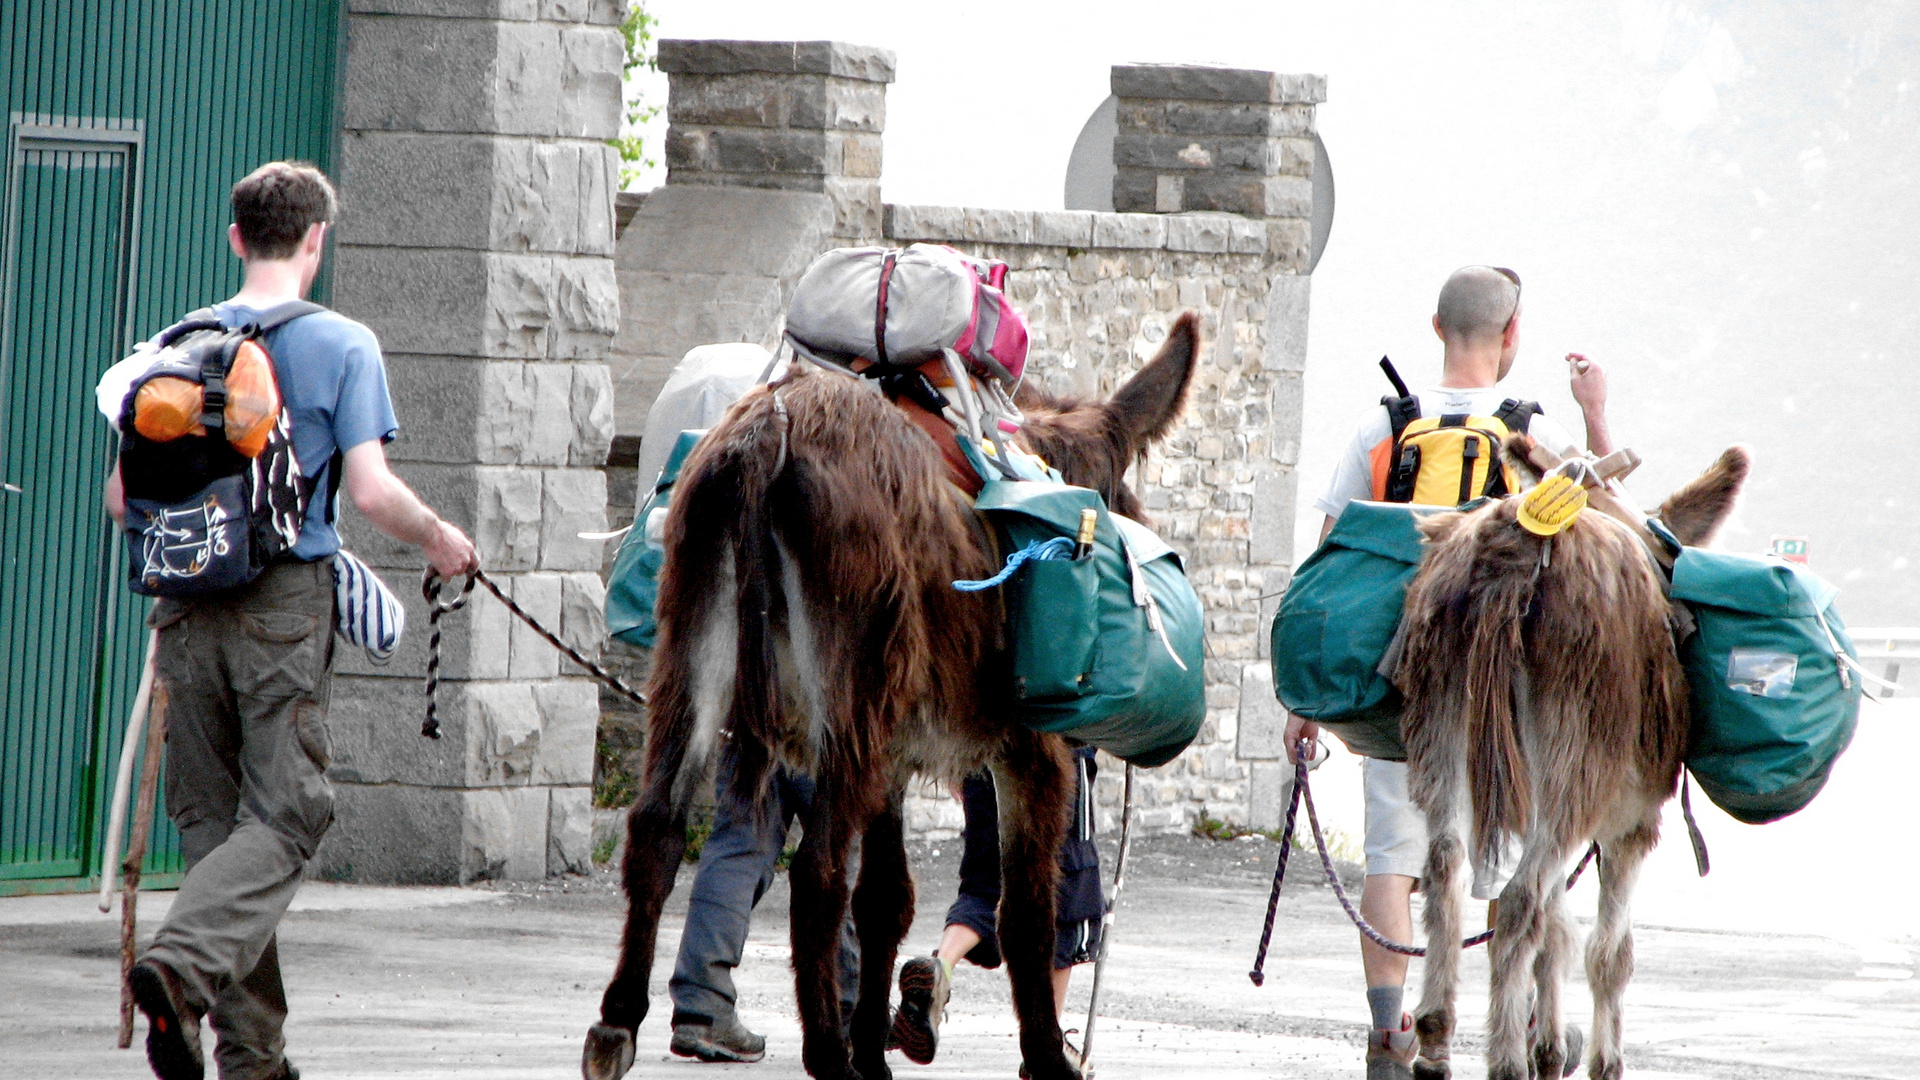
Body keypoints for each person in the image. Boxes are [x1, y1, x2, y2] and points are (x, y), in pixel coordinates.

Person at [106, 161, 479, 1080]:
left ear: (237, 238)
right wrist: (440, 540)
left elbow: (122, 499)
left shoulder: (174, 346)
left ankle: (253, 1059)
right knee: (290, 813)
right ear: (317, 238)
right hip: (283, 605)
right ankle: (180, 971)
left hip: (185, 611)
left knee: (213, 828)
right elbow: (368, 490)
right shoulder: (344, 345)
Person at [1287, 265, 1611, 1080]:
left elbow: (1330, 564)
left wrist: (1305, 701)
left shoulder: (1383, 427)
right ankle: (1521, 1018)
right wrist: (1596, 414)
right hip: (1508, 691)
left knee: (1395, 860)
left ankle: (1393, 1033)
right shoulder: (1533, 435)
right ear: (1511, 337)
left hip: (1406, 683)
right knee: (1508, 865)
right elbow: (1616, 533)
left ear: (1436, 328)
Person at [886, 747, 1103, 1069]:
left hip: (982, 750)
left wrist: (956, 758)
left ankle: (940, 969)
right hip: (1055, 748)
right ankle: (1046, 1042)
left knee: (985, 883)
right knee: (1064, 886)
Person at [666, 748, 859, 1063]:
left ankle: (703, 1008)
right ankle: (844, 1015)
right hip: (832, 730)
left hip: (754, 721)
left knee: (737, 846)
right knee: (836, 852)